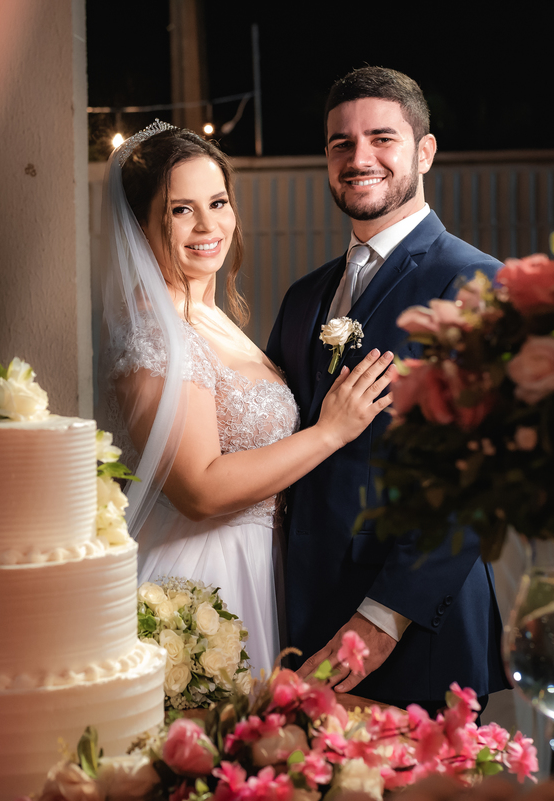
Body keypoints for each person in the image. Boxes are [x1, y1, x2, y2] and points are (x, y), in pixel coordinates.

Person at [97, 122, 395, 674]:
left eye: (218, 202)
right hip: (203, 578)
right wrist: (330, 432)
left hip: (261, 564)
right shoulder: (155, 333)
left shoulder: (209, 318)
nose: (208, 226)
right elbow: (201, 490)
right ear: (140, 226)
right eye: (180, 210)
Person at [266, 66, 509, 714]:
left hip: (414, 632)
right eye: (341, 143)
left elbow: (477, 481)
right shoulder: (303, 297)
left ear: (424, 151)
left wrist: (381, 620)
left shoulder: (478, 284)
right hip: (303, 619)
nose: (359, 158)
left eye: (382, 138)